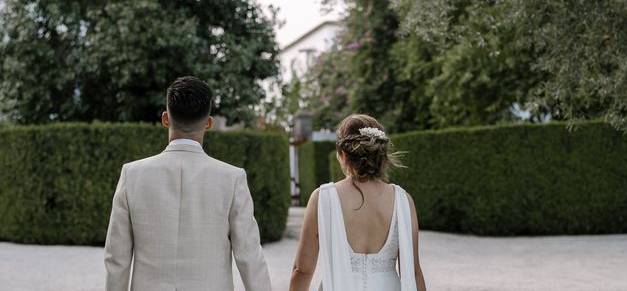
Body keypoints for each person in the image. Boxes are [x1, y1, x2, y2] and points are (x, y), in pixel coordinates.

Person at [104, 76, 270, 291]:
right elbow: (250, 257)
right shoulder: (232, 178)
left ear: (165, 118)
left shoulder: (132, 174)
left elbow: (116, 258)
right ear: (208, 123)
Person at [289, 114, 427, 291]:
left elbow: (302, 270)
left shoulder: (322, 197)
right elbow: (414, 273)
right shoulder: (403, 200)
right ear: (381, 153)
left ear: (342, 154)